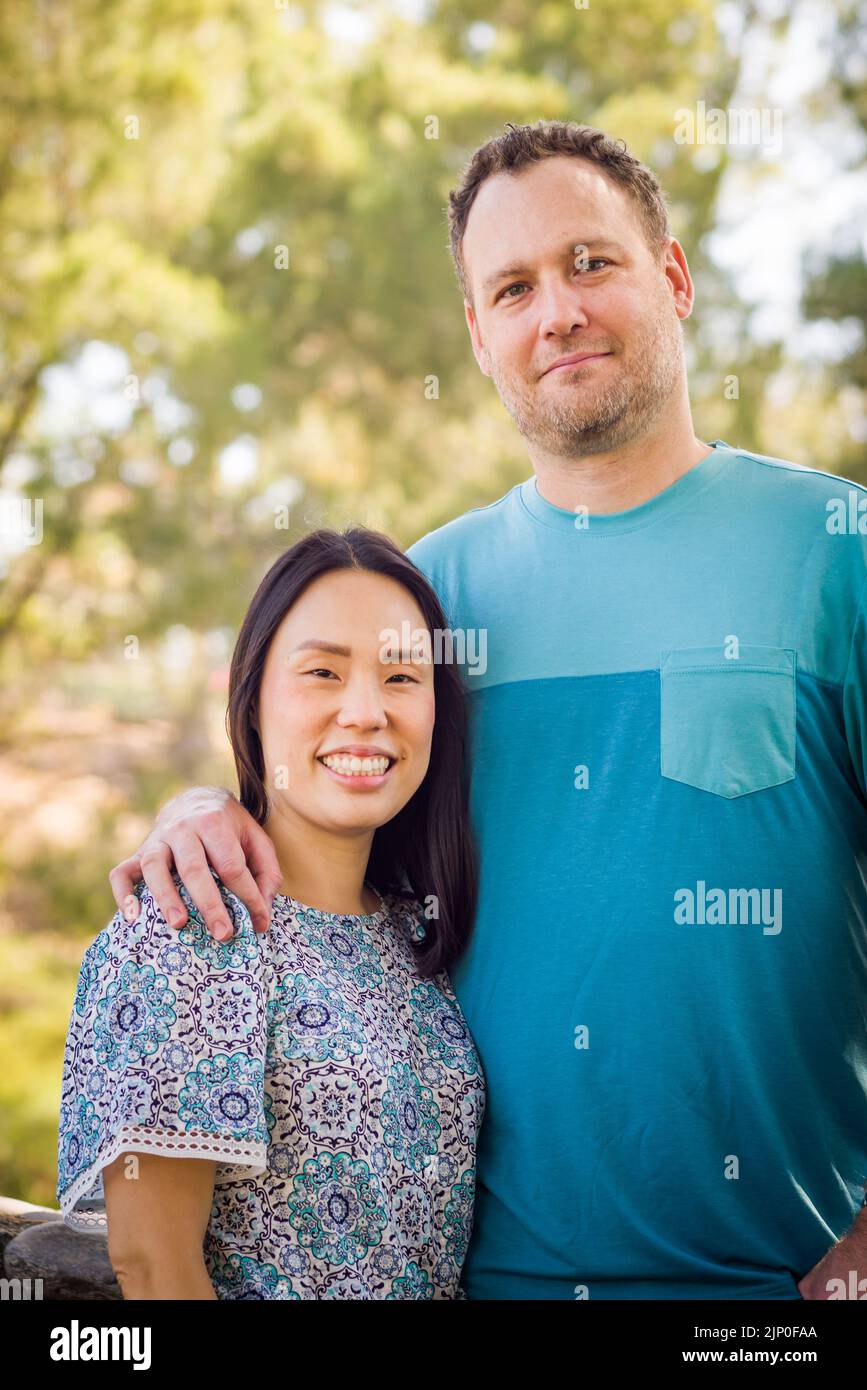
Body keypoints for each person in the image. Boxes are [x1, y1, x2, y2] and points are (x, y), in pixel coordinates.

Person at [107, 121, 867, 1300]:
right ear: (478, 333)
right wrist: (198, 806)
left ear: (673, 277)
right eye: (512, 288)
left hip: (778, 1296)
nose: (555, 312)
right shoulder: (427, 602)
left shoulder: (833, 551)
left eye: (590, 263)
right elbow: (317, 797)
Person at [57, 528, 483, 1299]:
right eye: (322, 672)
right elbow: (153, 1266)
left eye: (401, 676)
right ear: (251, 699)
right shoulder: (191, 927)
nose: (365, 712)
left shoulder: (414, 928)